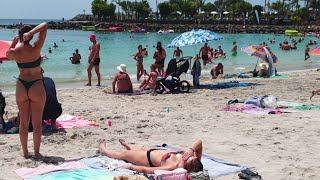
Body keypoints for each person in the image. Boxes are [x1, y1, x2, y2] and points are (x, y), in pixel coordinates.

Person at [6, 22, 48, 158]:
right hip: (36, 84)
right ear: (29, 35)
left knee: (23, 122)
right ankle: (36, 152)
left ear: (19, 36)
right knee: (37, 123)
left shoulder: (14, 51)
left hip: (21, 85)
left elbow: (8, 54)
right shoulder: (36, 48)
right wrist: (31, 33)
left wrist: (13, 43)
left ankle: (25, 152)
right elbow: (45, 25)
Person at [99, 139, 203, 174]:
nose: (187, 156)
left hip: (146, 158)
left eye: (188, 159)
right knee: (140, 149)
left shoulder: (173, 166)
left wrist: (131, 167)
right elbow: (199, 142)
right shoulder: (192, 159)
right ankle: (129, 146)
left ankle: (103, 149)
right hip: (154, 151)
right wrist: (191, 149)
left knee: (122, 155)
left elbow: (147, 170)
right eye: (190, 156)